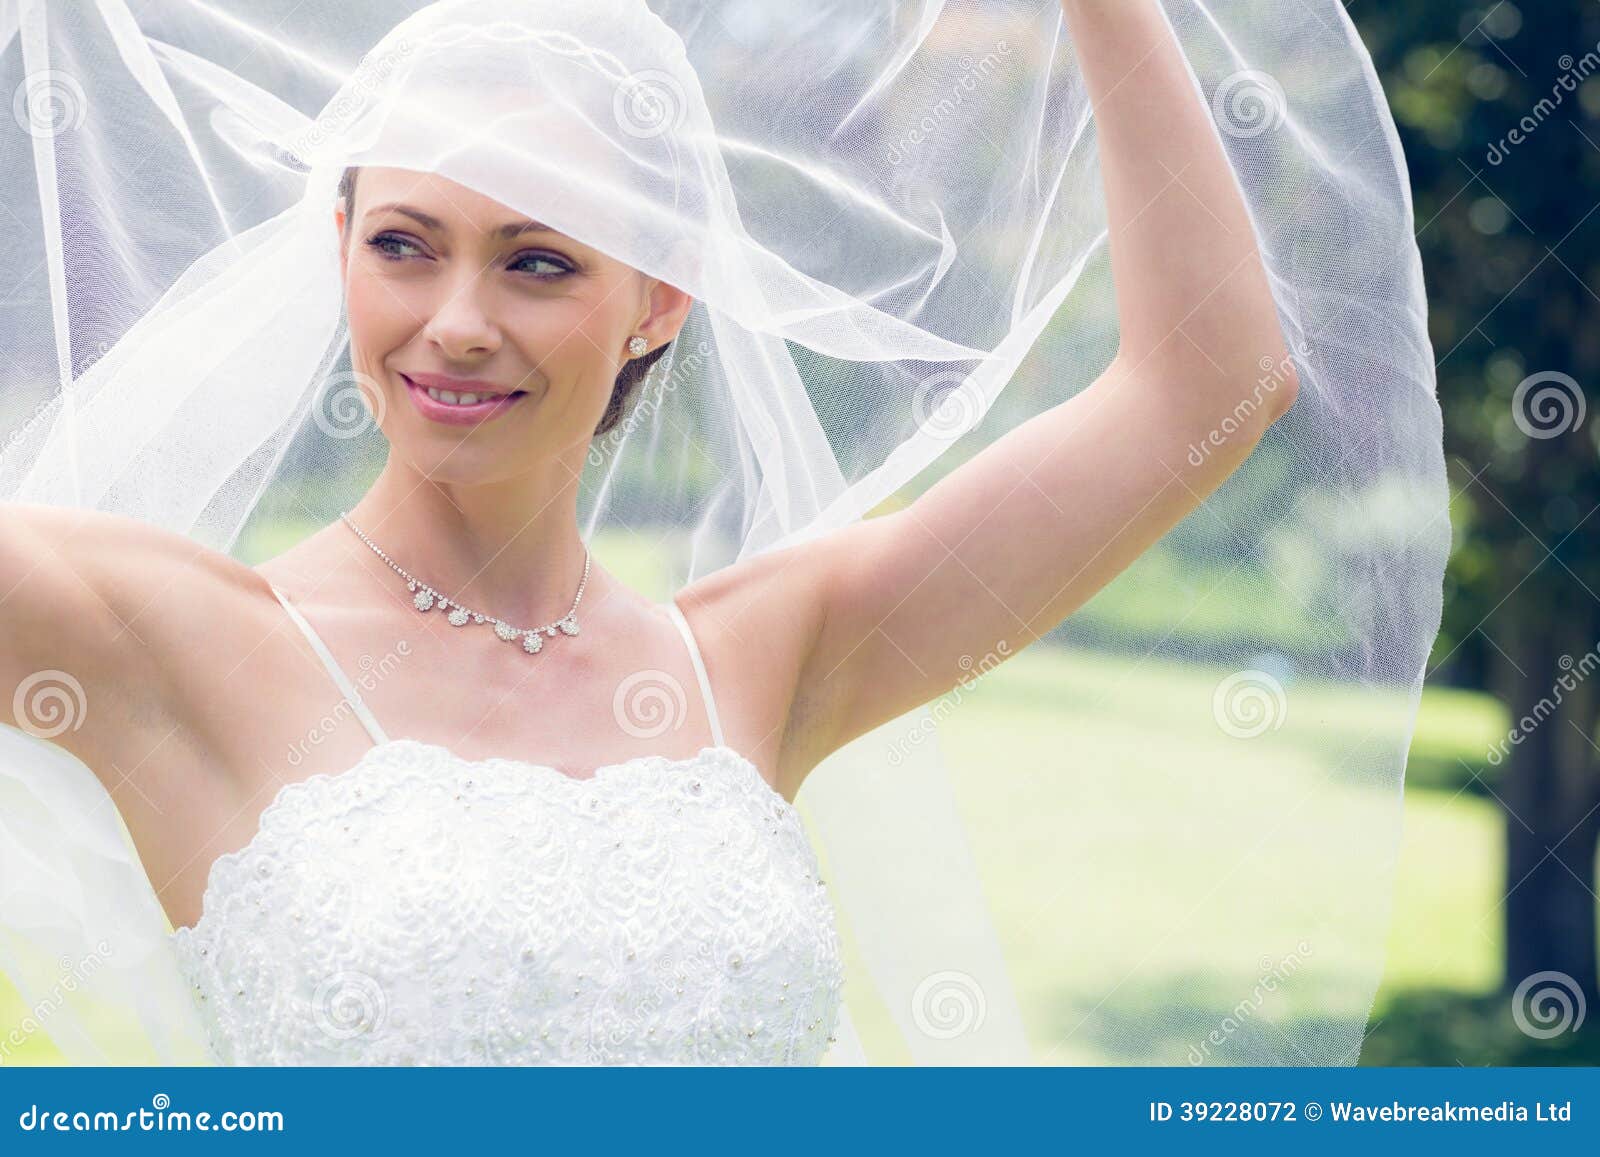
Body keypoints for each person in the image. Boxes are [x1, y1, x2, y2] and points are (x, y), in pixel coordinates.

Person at [0, 0, 1445, 1065]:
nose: (454, 320)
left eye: (538, 260)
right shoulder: (169, 638)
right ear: (341, 255)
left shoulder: (770, 651)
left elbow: (1211, 381)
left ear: (661, 300)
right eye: (403, 243)